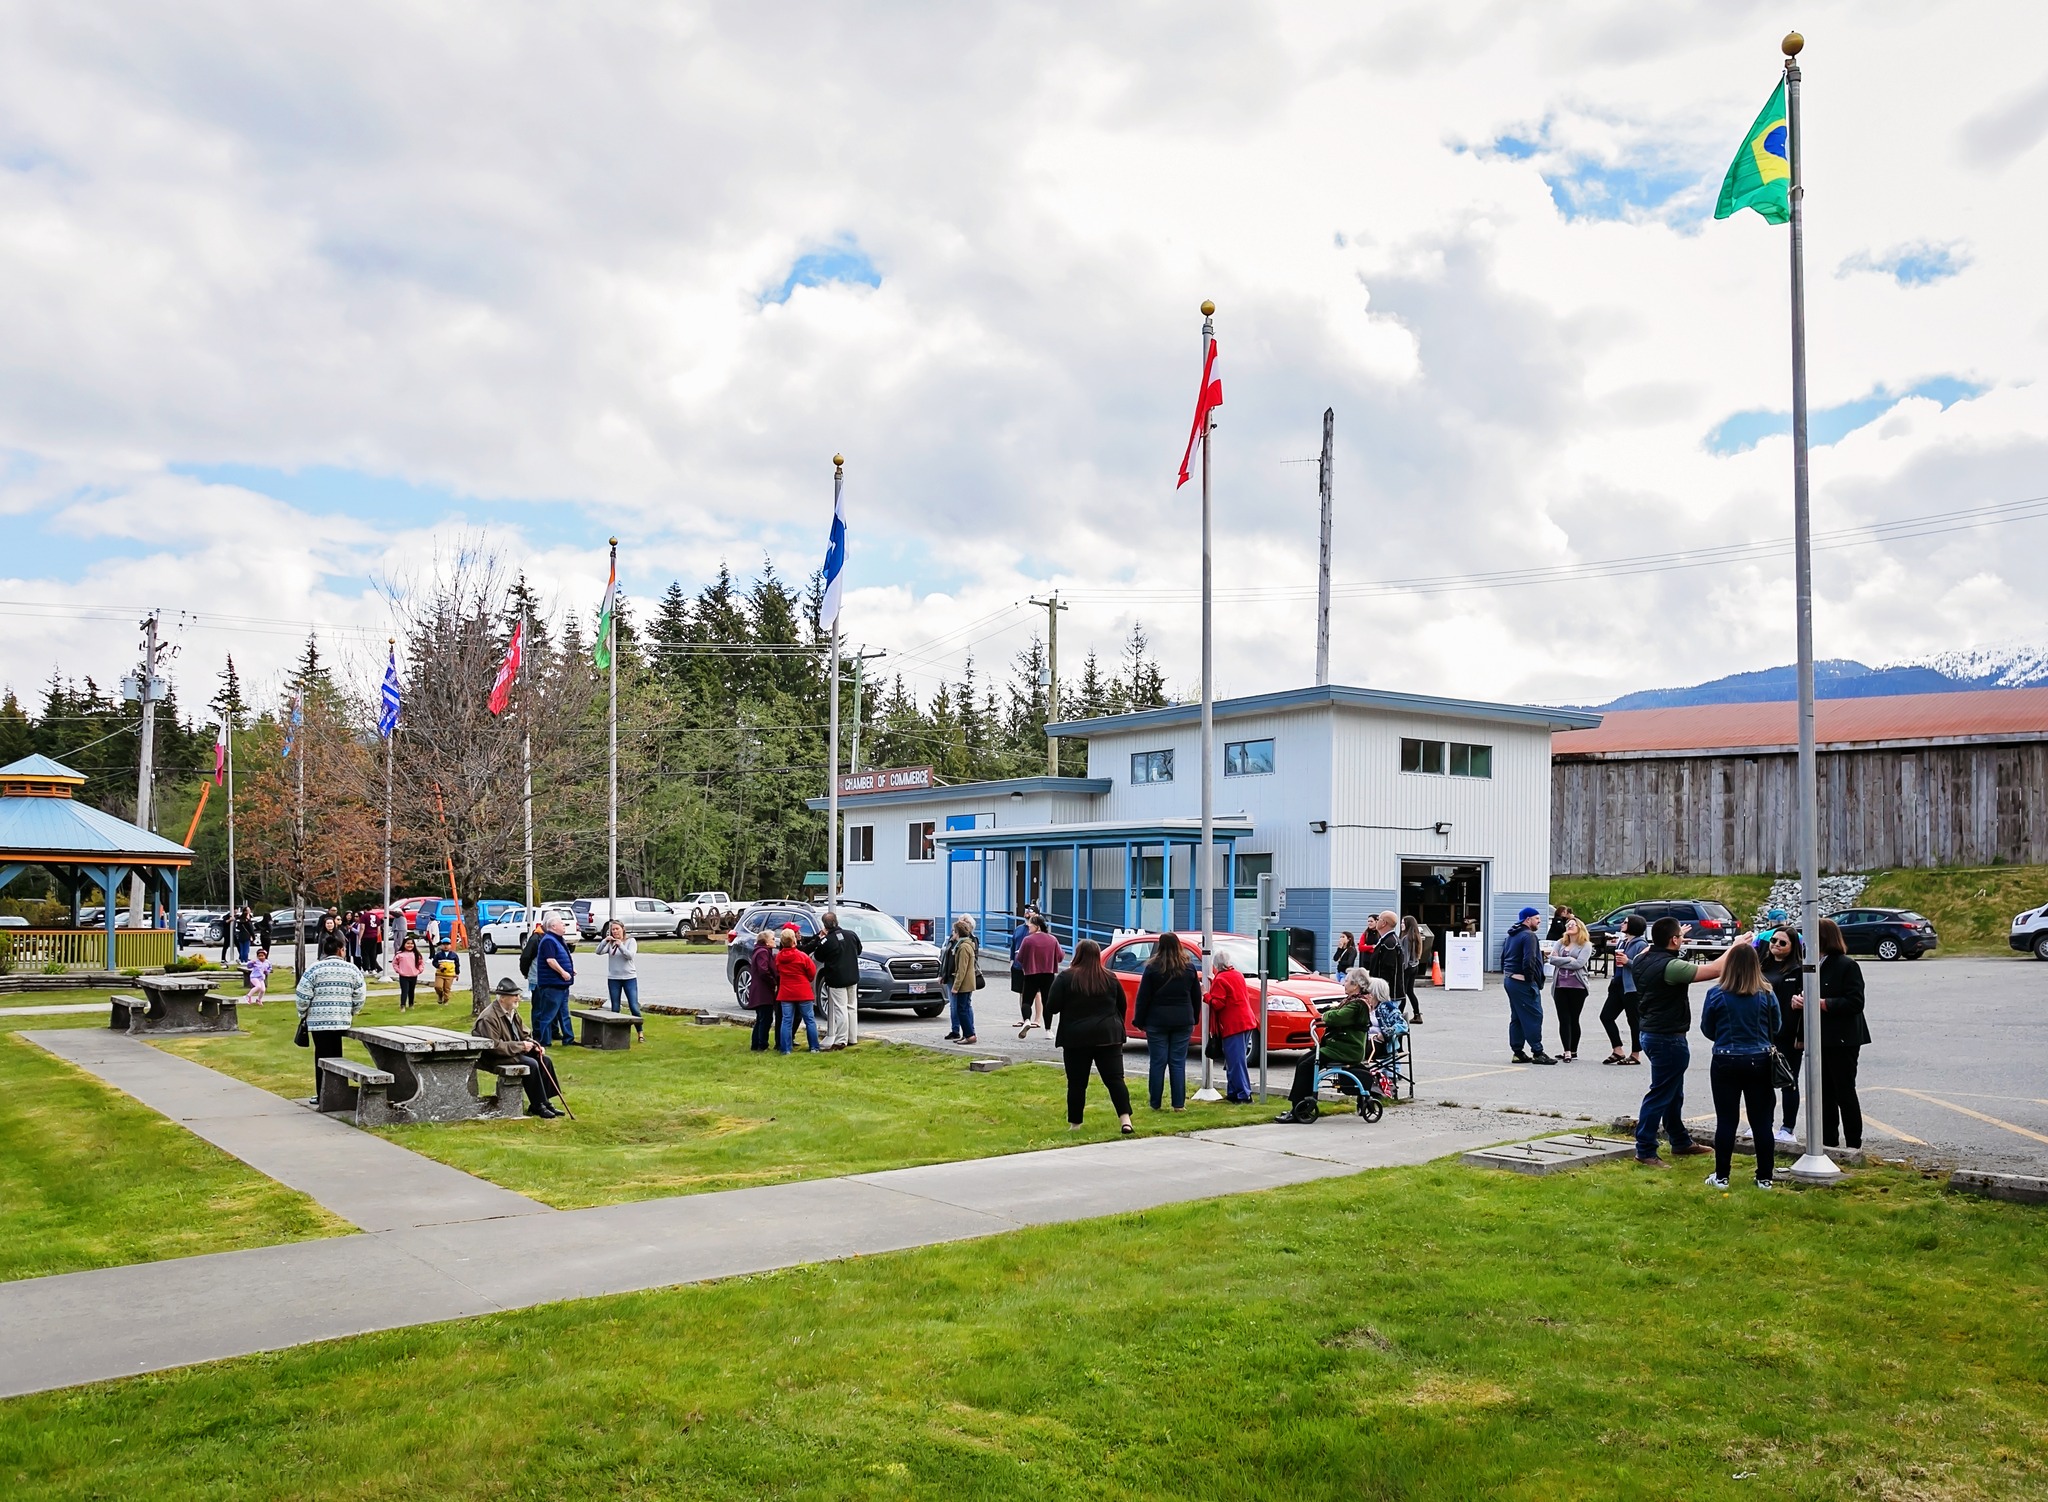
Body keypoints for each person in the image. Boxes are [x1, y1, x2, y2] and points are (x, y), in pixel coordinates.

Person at [1631, 915, 1748, 1166]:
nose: (1683, 941)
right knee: (1661, 1093)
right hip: (1667, 1038)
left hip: (1651, 1033)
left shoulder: (1642, 958)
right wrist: (1736, 946)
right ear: (1673, 940)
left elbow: (1663, 948)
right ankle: (1645, 1149)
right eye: (1680, 938)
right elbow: (1715, 969)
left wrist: (1678, 939)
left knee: (1673, 1093)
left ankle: (1680, 1141)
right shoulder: (1671, 967)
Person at [1700, 942, 1781, 1189]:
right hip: (1760, 1057)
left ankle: (1722, 1175)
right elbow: (1775, 1026)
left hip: (1726, 1057)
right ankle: (1765, 1177)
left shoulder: (1716, 994)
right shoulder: (1767, 992)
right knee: (1762, 1121)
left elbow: (1707, 1028)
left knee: (1726, 1120)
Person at [1043, 939, 1134, 1133]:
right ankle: (1125, 1120)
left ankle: (1075, 1124)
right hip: (1108, 1036)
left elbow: (1052, 1007)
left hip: (1076, 1038)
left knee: (1077, 1082)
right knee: (1115, 1080)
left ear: (1078, 955)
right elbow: (1122, 1006)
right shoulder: (1110, 977)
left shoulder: (1066, 978)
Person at [1795, 917, 1871, 1151]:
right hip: (1819, 1038)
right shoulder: (1812, 964)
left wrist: (1820, 1003)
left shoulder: (1846, 965)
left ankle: (1853, 1144)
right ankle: (1828, 1142)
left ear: (1823, 939)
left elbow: (1855, 1002)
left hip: (1842, 1038)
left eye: (1810, 936)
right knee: (1823, 1092)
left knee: (1844, 1091)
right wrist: (1799, 1001)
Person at [1280, 969, 1378, 1119]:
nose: (1343, 983)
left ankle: (1299, 1109)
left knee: (1307, 1065)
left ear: (1355, 985)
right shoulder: (1355, 1001)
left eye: (1346, 981)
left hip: (1346, 1049)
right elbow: (1336, 1013)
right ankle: (1300, 1105)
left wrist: (1325, 1015)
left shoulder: (1358, 1004)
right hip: (1340, 1046)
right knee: (1302, 1061)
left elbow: (1336, 1017)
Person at [473, 977, 565, 1118]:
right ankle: (537, 1105)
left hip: (511, 1052)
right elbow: (493, 1046)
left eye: (518, 995)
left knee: (544, 1060)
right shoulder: (489, 1017)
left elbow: (524, 1034)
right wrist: (521, 1046)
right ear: (503, 998)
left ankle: (545, 1102)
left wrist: (534, 1045)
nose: (518, 998)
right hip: (493, 1057)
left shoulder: (512, 1011)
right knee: (531, 1064)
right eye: (515, 995)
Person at [1133, 930, 1201, 1111]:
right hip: (1182, 1019)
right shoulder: (1189, 968)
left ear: (1160, 947)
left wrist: (1139, 1020)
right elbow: (1196, 996)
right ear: (1179, 946)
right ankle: (1178, 1104)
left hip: (1157, 1020)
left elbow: (1143, 997)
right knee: (1178, 1062)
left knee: (1158, 1062)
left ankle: (1155, 1103)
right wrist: (1194, 1018)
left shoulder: (1152, 968)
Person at [295, 933, 366, 1099]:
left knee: (321, 1056)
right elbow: (360, 995)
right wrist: (352, 1011)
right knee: (337, 1055)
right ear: (341, 950)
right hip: (341, 1020)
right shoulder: (352, 969)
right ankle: (337, 1093)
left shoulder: (314, 969)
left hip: (318, 1021)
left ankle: (323, 1094)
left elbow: (302, 994)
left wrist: (303, 1012)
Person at [1760, 927, 1806, 1147]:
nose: (1776, 945)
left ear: (1792, 946)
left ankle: (1788, 1127)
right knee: (1762, 1082)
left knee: (1789, 1081)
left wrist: (1801, 1035)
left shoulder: (1797, 971)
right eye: (1774, 940)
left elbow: (1804, 1005)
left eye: (1782, 943)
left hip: (1787, 1033)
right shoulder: (1763, 966)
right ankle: (1763, 1123)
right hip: (1763, 1032)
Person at [1500, 908, 1557, 1065]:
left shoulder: (1512, 935)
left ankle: (1518, 1052)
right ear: (1527, 919)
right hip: (1522, 982)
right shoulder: (1529, 936)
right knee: (1534, 1015)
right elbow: (1529, 960)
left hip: (1511, 980)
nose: (1539, 921)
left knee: (1518, 1017)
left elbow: (1503, 957)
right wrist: (1531, 980)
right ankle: (1538, 1052)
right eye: (1536, 918)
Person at [1205, 951, 1257, 1103]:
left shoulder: (1221, 980)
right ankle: (1234, 1092)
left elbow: (1218, 1003)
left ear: (1216, 965)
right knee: (1234, 1060)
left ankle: (1243, 1094)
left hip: (1233, 1024)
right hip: (1246, 1021)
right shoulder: (1237, 974)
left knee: (1235, 1061)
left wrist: (1205, 995)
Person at [1600, 915, 1648, 1065]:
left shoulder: (1641, 944)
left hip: (1631, 987)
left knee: (1633, 1021)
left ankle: (1635, 1054)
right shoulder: (1622, 941)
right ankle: (1617, 1049)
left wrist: (1628, 962)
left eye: (1625, 922)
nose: (1622, 924)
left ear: (1634, 925)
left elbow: (1643, 967)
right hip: (1618, 984)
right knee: (1606, 1016)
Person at [816, 909, 862, 1050]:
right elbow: (859, 950)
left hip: (836, 978)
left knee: (840, 1008)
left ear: (825, 925)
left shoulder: (827, 941)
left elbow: (819, 956)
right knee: (852, 1007)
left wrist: (822, 938)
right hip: (852, 976)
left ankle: (841, 1040)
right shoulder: (851, 935)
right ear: (837, 921)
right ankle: (852, 1037)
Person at [1550, 917, 1593, 1061]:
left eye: (1573, 924)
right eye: (1568, 924)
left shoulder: (1585, 945)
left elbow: (1579, 964)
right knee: (1563, 1019)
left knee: (1574, 1018)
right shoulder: (1560, 943)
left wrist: (1561, 961)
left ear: (1580, 928)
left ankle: (1573, 1050)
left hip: (1577, 986)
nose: (1569, 926)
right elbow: (1551, 960)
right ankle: (1566, 1050)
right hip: (1560, 985)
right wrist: (1569, 959)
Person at [1014, 913, 1062, 1038]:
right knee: (1047, 1002)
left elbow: (1019, 958)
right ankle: (1048, 1030)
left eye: (1031, 924)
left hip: (1031, 974)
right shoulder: (1053, 939)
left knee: (1027, 1001)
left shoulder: (1028, 940)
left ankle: (1027, 1020)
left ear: (1037, 926)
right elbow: (1060, 957)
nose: (1028, 926)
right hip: (1048, 975)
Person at [531, 915, 576, 1047]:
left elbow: (560, 958)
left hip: (561, 984)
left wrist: (570, 970)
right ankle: (544, 1041)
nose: (564, 926)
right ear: (553, 927)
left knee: (564, 1014)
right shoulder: (548, 940)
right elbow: (550, 960)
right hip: (552, 984)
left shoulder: (558, 939)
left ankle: (569, 1039)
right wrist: (563, 972)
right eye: (562, 924)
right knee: (548, 1014)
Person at [774, 929, 821, 1054]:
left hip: (786, 992)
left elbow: (778, 971)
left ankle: (785, 1049)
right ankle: (814, 1047)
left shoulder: (779, 957)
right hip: (802, 991)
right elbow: (811, 972)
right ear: (794, 941)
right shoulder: (801, 956)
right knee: (809, 1020)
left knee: (786, 1020)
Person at [597, 920, 643, 1040]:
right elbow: (598, 952)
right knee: (615, 1007)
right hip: (614, 978)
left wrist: (620, 945)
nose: (615, 931)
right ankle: (616, 1034)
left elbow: (630, 956)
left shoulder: (630, 941)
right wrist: (605, 941)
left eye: (617, 929)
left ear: (623, 929)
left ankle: (640, 1033)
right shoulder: (610, 943)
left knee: (633, 1006)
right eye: (613, 929)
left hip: (629, 978)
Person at [942, 917, 981, 1045]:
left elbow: (961, 970)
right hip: (965, 983)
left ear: (958, 933)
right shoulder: (964, 945)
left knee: (962, 1009)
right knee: (962, 1008)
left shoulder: (963, 947)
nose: (952, 934)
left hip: (964, 984)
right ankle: (967, 1034)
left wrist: (956, 986)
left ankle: (969, 1035)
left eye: (954, 931)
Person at [747, 931, 782, 1052]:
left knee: (761, 1017)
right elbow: (763, 970)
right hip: (763, 991)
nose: (774, 940)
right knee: (766, 1018)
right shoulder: (763, 952)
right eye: (772, 938)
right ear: (766, 942)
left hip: (760, 990)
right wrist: (773, 982)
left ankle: (756, 1043)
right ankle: (762, 1044)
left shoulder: (762, 951)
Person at [1398, 914, 1428, 1024]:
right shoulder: (1416, 936)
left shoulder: (1406, 938)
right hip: (1414, 966)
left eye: (1403, 922)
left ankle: (1399, 1015)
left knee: (1403, 992)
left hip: (1407, 968)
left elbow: (1405, 955)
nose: (1401, 925)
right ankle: (1417, 1014)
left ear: (1408, 924)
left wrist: (1402, 969)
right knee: (1410, 991)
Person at [391, 934, 423, 1011]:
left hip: (413, 975)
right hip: (403, 976)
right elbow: (394, 963)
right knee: (404, 991)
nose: (410, 945)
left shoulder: (416, 954)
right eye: (408, 943)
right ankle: (402, 1005)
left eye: (411, 943)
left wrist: (419, 970)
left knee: (411, 991)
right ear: (404, 944)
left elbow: (421, 963)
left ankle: (411, 1004)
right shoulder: (400, 954)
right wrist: (398, 970)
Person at [431, 934, 459, 1005]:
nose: (446, 946)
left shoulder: (454, 955)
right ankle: (440, 995)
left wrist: (457, 973)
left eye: (447, 944)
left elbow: (457, 965)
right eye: (444, 944)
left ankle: (446, 1000)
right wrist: (438, 966)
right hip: (440, 974)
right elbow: (434, 962)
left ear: (450, 945)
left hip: (450, 975)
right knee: (438, 987)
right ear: (441, 946)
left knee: (447, 988)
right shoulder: (438, 955)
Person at [360, 912, 383, 977]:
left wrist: (360, 938)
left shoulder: (364, 916)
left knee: (365, 953)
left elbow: (362, 928)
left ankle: (366, 969)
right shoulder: (376, 916)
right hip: (374, 936)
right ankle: (373, 969)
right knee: (373, 953)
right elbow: (379, 929)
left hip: (366, 937)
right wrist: (376, 936)